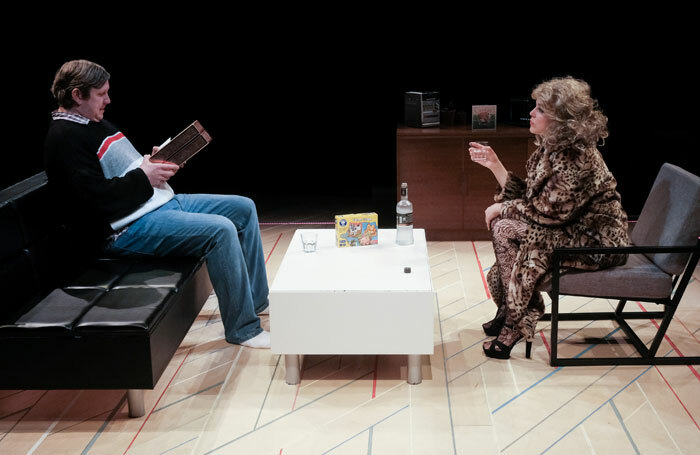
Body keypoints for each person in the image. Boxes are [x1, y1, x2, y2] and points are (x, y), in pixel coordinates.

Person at [44, 60, 271, 348]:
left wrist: (152, 162)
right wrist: (145, 176)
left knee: (242, 207)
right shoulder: (64, 138)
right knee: (221, 230)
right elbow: (95, 199)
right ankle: (243, 329)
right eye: (101, 94)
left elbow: (123, 170)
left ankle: (256, 300)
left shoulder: (92, 123)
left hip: (155, 204)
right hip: (126, 228)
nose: (108, 100)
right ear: (77, 95)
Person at [468, 76, 629, 359]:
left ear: (562, 119)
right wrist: (495, 165)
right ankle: (510, 311)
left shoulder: (576, 156)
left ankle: (514, 322)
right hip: (570, 229)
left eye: (540, 109)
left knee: (505, 226)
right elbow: (533, 199)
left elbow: (550, 212)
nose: (531, 113)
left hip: (595, 243)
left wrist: (503, 208)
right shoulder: (550, 146)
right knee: (504, 226)